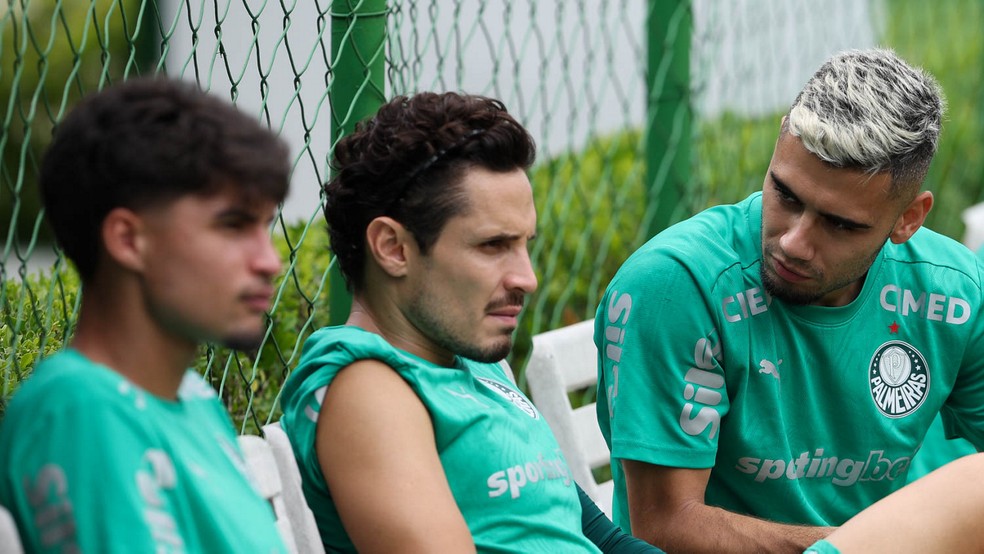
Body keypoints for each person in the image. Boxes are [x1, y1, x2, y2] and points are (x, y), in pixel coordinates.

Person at [595, 47, 984, 552]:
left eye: (841, 224)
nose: (794, 243)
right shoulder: (676, 285)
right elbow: (666, 523)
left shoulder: (954, 291)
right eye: (786, 196)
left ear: (908, 219)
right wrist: (873, 544)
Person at [279, 91, 659, 553]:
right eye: (492, 246)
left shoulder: (469, 357)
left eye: (525, 244)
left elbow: (589, 530)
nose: (528, 278)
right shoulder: (367, 389)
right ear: (393, 248)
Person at [0, 78, 292, 552]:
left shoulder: (193, 397)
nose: (269, 260)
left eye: (265, 227)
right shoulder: (77, 410)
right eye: (233, 225)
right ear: (129, 241)